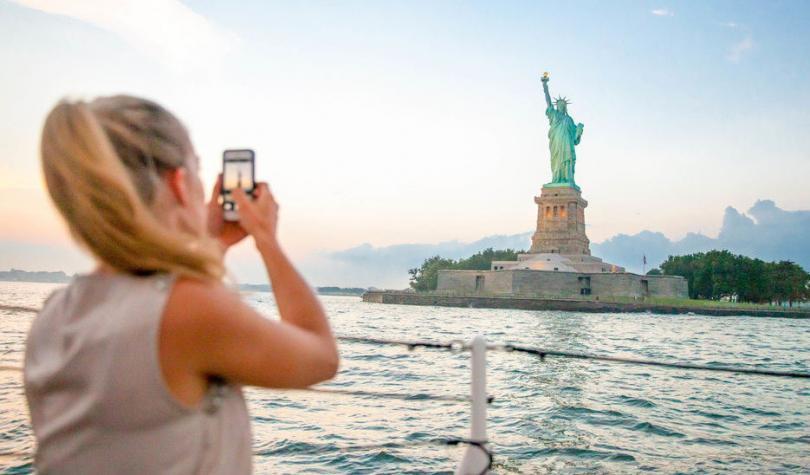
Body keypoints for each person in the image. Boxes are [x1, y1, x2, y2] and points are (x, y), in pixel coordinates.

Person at [24, 95, 339, 474]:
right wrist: (266, 240)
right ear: (178, 183)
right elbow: (321, 357)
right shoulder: (187, 310)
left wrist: (214, 243)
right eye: (197, 169)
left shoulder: (55, 314)